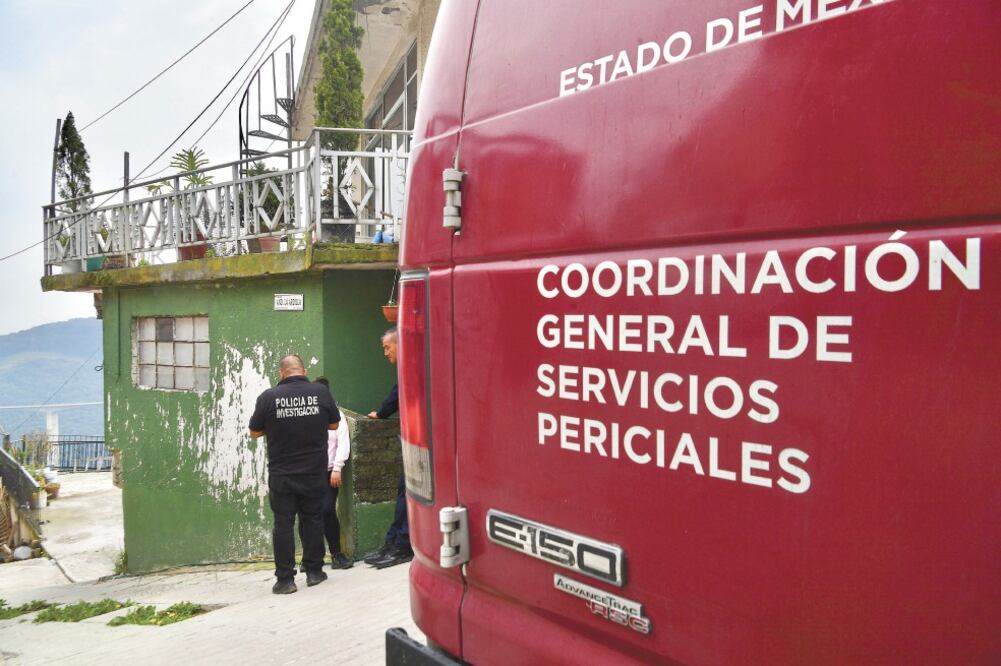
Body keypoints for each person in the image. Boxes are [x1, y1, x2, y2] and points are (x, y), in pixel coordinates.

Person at [249, 354, 340, 594]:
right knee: (313, 519)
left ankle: (285, 580)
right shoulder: (320, 393)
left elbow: (255, 432)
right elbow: (334, 425)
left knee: (283, 524)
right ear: (303, 370)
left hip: (282, 474)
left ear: (282, 373)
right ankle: (313, 571)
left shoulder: (268, 397)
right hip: (314, 472)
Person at [364, 327, 413, 569]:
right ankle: (393, 542)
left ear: (400, 344)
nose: (385, 353)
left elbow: (397, 395)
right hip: (414, 440)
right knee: (403, 491)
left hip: (421, 442)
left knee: (407, 493)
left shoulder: (412, 366)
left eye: (387, 347)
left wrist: (381, 412)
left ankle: (401, 545)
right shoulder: (411, 366)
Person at [314, 377, 353, 570]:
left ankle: (337, 554)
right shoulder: (309, 415)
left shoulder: (336, 416)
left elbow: (343, 443)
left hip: (330, 472)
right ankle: (312, 558)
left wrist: (337, 468)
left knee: (327, 510)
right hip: (310, 473)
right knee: (308, 515)